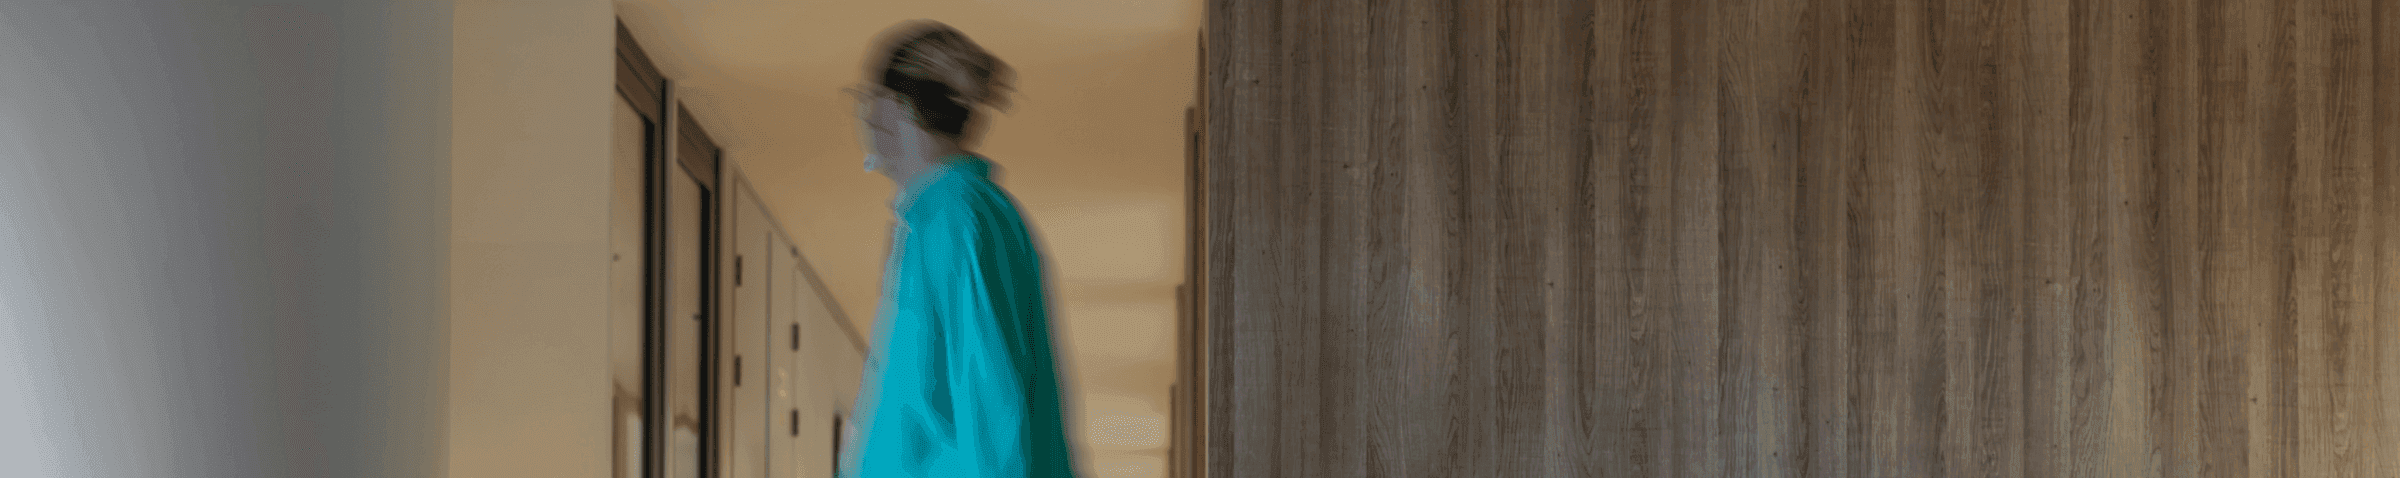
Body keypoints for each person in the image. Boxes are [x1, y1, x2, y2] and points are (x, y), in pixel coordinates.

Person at [840, 20, 1077, 478]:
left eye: (871, 99)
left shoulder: (957, 216)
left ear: (899, 107)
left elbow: (993, 399)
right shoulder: (943, 217)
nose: (866, 117)